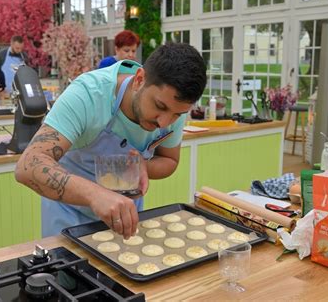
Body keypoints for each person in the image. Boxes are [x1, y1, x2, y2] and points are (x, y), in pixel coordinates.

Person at [15, 43, 207, 239]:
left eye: (177, 115)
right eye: (159, 106)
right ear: (139, 80)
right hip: (68, 216)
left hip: (125, 218)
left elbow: (170, 161)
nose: (164, 122)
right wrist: (94, 195)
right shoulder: (88, 94)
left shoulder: (174, 105)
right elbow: (27, 165)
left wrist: (144, 166)